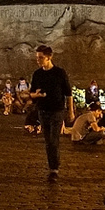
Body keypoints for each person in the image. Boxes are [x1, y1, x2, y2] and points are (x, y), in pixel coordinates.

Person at [26, 45, 73, 181]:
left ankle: (54, 169)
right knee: (48, 141)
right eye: (37, 58)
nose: (38, 60)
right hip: (43, 110)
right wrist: (37, 95)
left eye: (41, 58)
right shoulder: (37, 74)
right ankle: (52, 166)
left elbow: (68, 93)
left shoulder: (59, 73)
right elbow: (32, 93)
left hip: (57, 111)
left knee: (54, 140)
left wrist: (71, 111)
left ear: (49, 57)